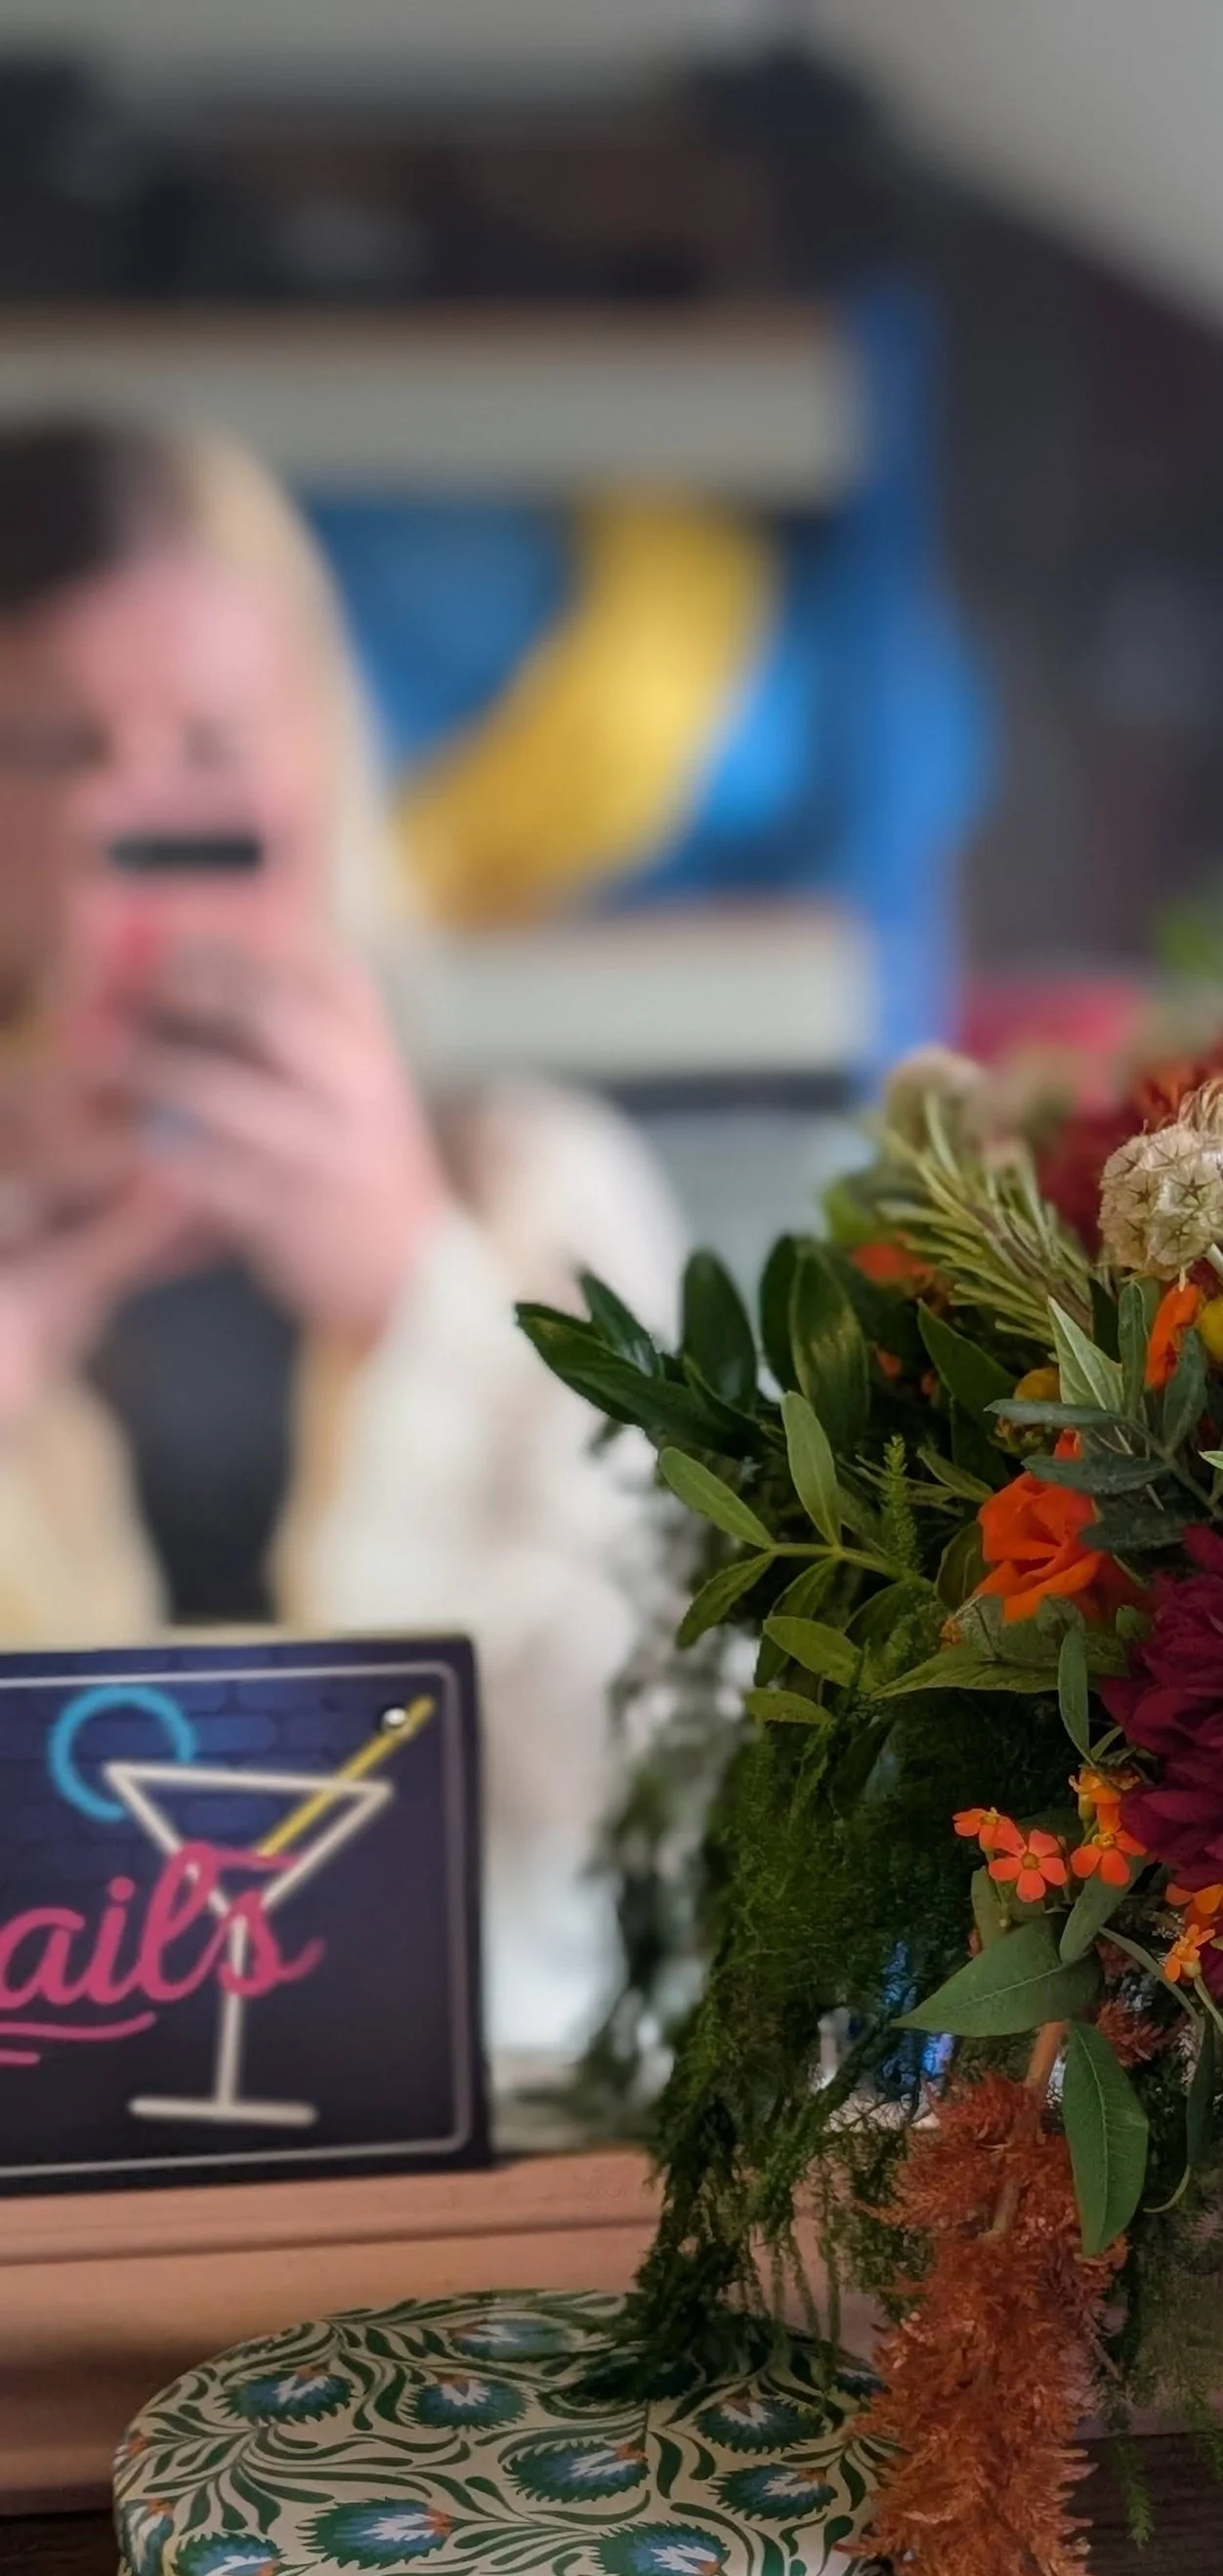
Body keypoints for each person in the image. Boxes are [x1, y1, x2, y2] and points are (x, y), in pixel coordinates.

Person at [0, 417, 685, 2056]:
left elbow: (694, 1822)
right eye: (56, 747)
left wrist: (426, 1307)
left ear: (317, 763)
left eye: (210, 744)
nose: (128, 817)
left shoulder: (538, 1196)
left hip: (490, 2153)